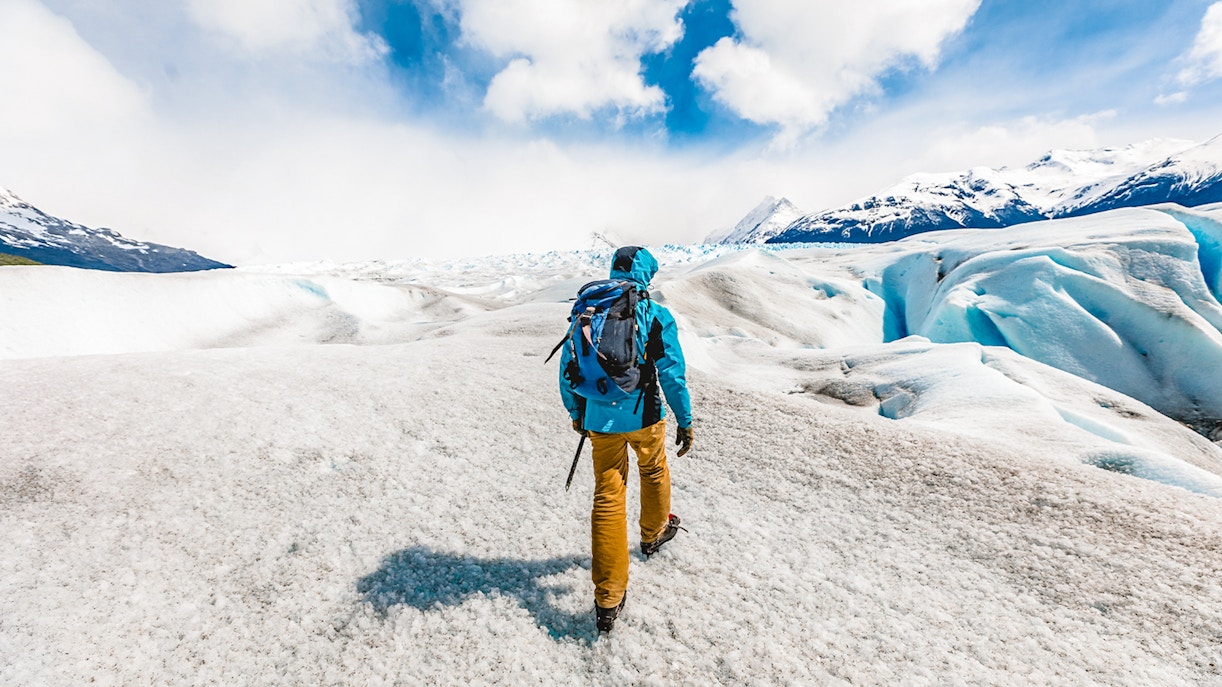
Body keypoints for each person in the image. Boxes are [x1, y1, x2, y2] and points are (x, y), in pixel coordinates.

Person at [558, 245, 694, 634]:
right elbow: (672, 372)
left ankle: (608, 598)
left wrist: (577, 413)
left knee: (608, 494)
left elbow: (568, 366)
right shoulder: (652, 311)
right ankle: (653, 535)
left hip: (599, 417)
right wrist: (685, 420)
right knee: (652, 469)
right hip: (644, 414)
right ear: (646, 272)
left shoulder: (589, 306)